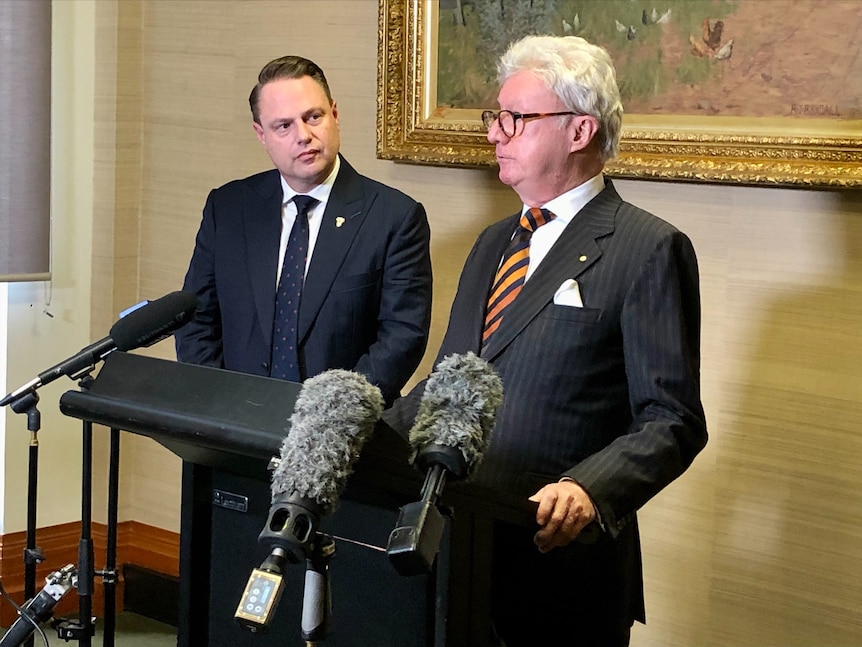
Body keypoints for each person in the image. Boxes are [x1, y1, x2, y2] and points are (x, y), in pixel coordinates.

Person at [385, 35, 707, 646]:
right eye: (494, 117)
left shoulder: (648, 249)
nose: (495, 134)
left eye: (515, 119)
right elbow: (449, 382)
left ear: (579, 132)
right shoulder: (492, 243)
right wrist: (365, 434)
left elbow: (672, 420)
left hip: (560, 570)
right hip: (458, 547)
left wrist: (589, 487)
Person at [175, 55, 432, 404]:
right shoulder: (229, 208)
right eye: (283, 126)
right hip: (234, 429)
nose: (304, 136)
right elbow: (197, 320)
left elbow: (401, 337)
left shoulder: (395, 217)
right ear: (261, 134)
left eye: (314, 117)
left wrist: (329, 418)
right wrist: (223, 406)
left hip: (340, 433)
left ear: (335, 115)